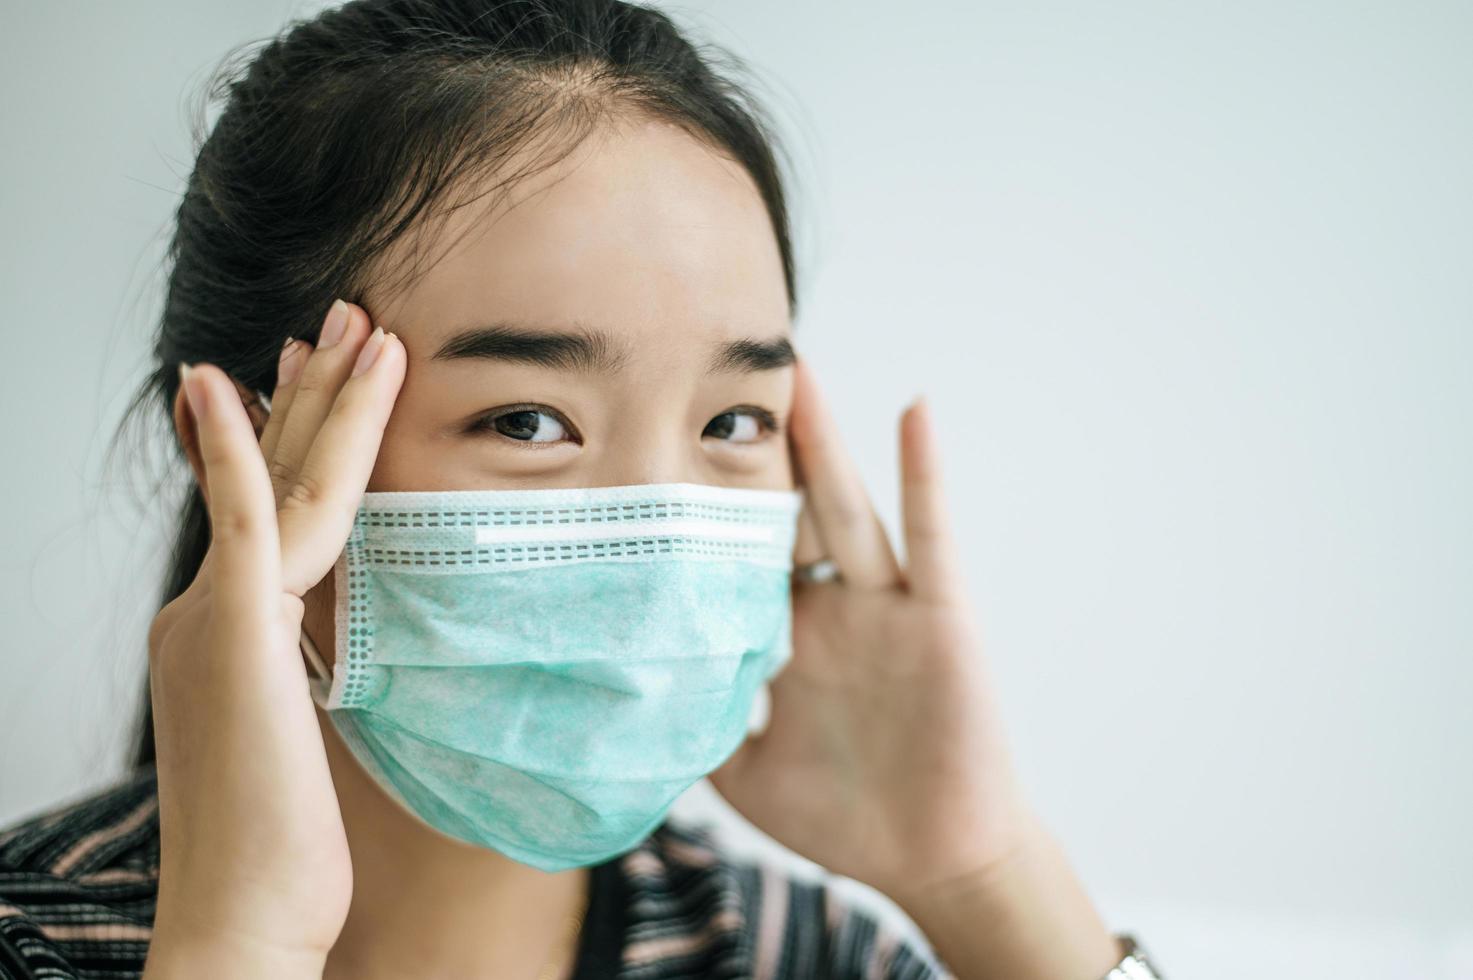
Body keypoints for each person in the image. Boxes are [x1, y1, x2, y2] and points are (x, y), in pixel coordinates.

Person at [0, 1, 1165, 978]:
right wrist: (238, 939)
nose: (657, 540)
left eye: (733, 420)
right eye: (528, 419)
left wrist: (986, 876)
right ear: (249, 457)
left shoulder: (800, 955)